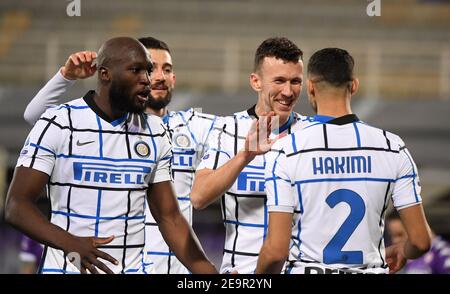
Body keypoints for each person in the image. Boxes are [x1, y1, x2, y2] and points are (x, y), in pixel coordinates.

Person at [6, 36, 217, 274]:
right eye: (135, 70)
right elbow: (16, 205)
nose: (147, 80)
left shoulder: (155, 132)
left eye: (147, 71)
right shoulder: (60, 122)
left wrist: (210, 273)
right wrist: (71, 244)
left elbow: (170, 218)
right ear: (105, 74)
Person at [256, 48, 432, 274]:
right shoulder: (393, 147)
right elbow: (420, 241)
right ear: (354, 86)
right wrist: (403, 250)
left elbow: (275, 251)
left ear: (310, 86)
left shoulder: (286, 151)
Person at [191, 37, 311, 274]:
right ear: (256, 82)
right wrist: (244, 155)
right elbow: (198, 197)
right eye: (279, 81)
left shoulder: (312, 134)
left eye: (295, 81)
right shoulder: (228, 129)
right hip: (242, 274)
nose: (288, 91)